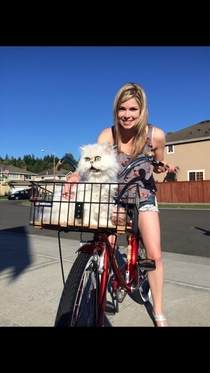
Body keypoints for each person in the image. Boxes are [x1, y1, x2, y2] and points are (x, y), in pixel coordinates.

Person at [63, 82, 175, 327]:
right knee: (106, 245)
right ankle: (102, 290)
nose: (127, 115)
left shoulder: (156, 135)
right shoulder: (107, 135)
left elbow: (158, 162)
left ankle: (158, 311)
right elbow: (92, 163)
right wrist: (74, 175)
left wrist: (160, 166)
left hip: (142, 195)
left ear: (142, 109)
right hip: (112, 194)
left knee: (153, 254)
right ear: (116, 109)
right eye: (122, 109)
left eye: (133, 109)